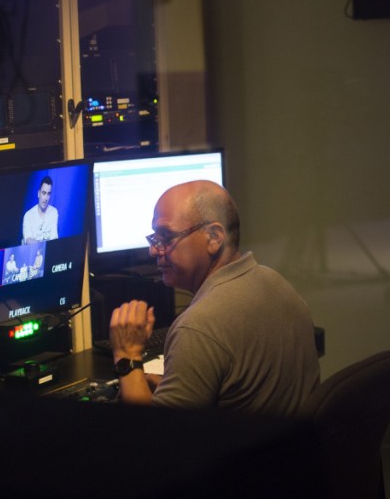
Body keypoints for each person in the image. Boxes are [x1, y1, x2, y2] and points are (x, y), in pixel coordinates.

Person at [109, 180, 320, 415]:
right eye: (155, 238)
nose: (153, 250)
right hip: (290, 448)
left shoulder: (198, 327)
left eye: (166, 237)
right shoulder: (277, 283)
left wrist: (127, 356)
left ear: (214, 237)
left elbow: (156, 442)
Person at [23, 176, 58, 243]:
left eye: (48, 194)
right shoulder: (28, 215)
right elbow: (28, 240)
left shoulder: (54, 212)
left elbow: (54, 239)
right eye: (43, 193)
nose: (45, 198)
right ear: (38, 193)